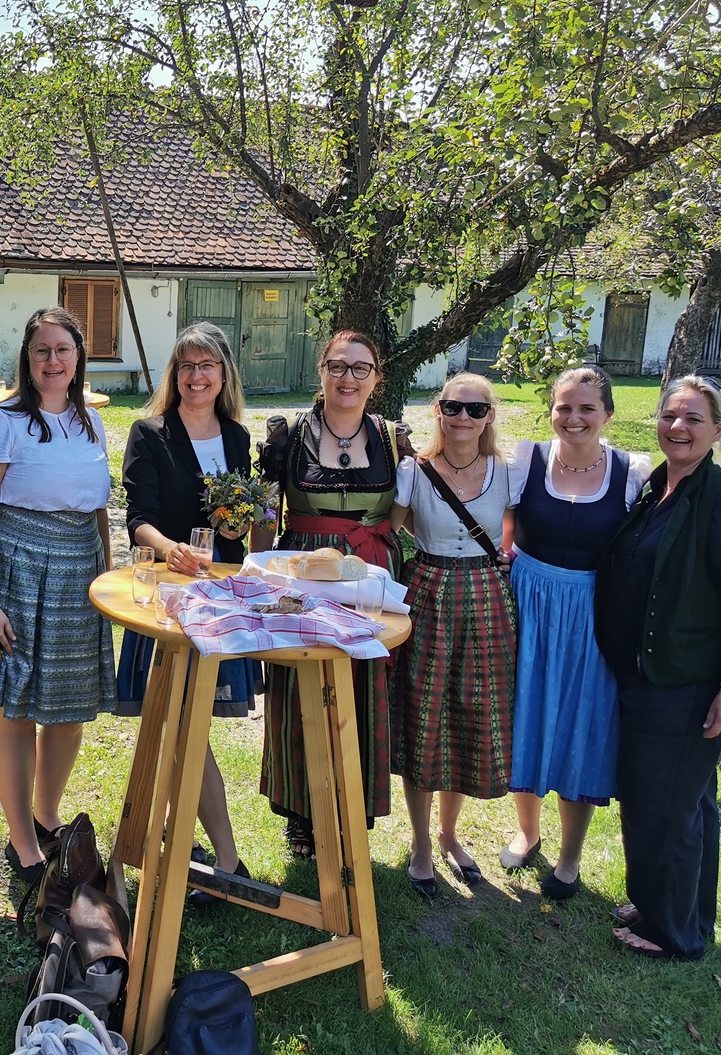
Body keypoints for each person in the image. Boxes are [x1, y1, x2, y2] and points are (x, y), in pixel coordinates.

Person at [596, 376, 721, 960]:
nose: (678, 427)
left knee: (662, 803)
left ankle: (670, 932)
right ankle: (680, 909)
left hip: (685, 679)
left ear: (719, 429)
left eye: (694, 418)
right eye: (670, 415)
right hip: (648, 672)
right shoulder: (659, 487)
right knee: (687, 799)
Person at [0, 307, 115, 884]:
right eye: (41, 350)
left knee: (70, 707)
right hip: (18, 569)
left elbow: (98, 509)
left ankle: (46, 817)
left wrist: (106, 576)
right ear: (27, 360)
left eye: (63, 350)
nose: (53, 360)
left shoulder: (91, 421)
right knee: (19, 707)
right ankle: (21, 840)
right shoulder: (1, 421)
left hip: (79, 571)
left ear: (79, 358)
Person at [501, 367, 653, 900]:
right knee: (526, 713)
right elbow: (504, 529)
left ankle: (570, 857)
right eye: (564, 406)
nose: (574, 417)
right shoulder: (526, 461)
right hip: (528, 603)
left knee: (581, 722)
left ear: (608, 413)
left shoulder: (631, 474)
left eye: (587, 407)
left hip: (593, 611)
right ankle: (527, 831)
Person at [256, 331, 410, 854]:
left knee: (363, 685)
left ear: (376, 379)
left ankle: (353, 804)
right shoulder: (287, 436)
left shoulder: (393, 438)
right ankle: (301, 810)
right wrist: (256, 577)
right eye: (338, 366)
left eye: (360, 368)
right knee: (301, 683)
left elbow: (417, 508)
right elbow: (266, 511)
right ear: (320, 371)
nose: (348, 378)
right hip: (301, 571)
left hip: (369, 573)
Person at [118, 322, 257, 898]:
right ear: (174, 376)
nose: (197, 376)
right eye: (187, 366)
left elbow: (240, 524)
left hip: (220, 597)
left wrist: (238, 527)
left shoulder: (237, 437)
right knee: (181, 723)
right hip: (169, 596)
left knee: (184, 724)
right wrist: (169, 548)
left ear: (224, 375)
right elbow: (138, 519)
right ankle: (226, 861)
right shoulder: (150, 433)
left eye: (207, 366)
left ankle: (186, 846)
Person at [389, 373, 516, 895]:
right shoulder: (413, 471)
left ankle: (448, 834)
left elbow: (518, 535)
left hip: (487, 599)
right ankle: (421, 843)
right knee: (424, 715)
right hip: (428, 591)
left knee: (467, 714)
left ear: (489, 416)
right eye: (453, 407)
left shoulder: (508, 472)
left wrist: (506, 560)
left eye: (475, 409)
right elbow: (391, 529)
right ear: (438, 410)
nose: (463, 417)